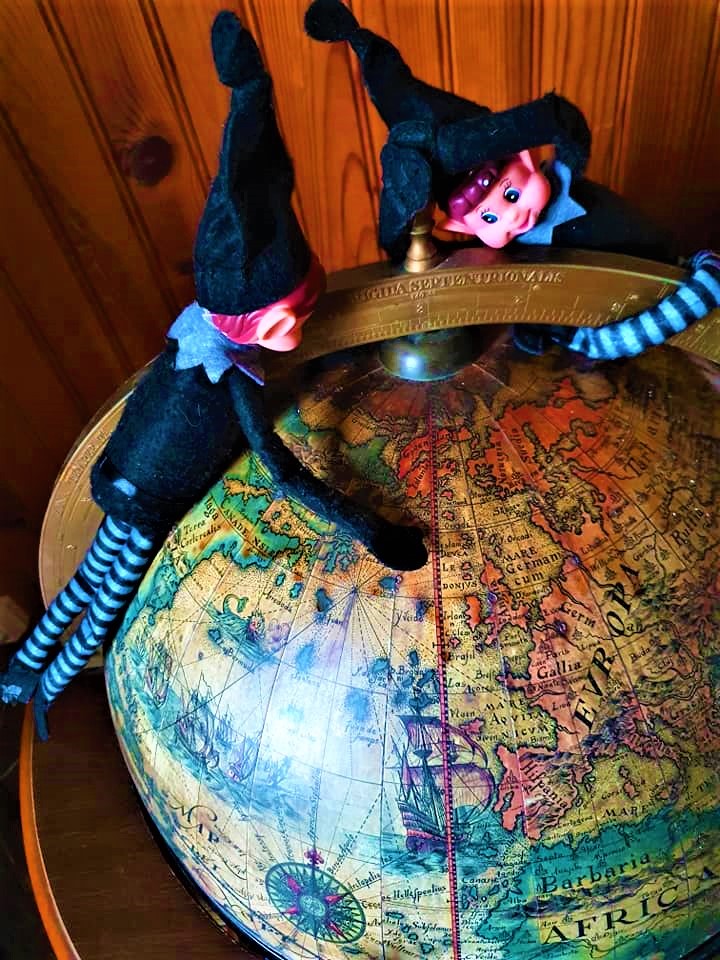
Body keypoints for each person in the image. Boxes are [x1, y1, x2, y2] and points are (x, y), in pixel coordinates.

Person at [0, 11, 427, 739]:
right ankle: (43, 690)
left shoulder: (185, 340)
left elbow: (140, 410)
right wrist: (375, 531)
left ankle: (19, 676)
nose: (298, 332)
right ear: (265, 325)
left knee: (81, 588)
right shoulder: (228, 379)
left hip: (118, 479)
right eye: (293, 319)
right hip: (144, 507)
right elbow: (284, 473)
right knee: (100, 609)